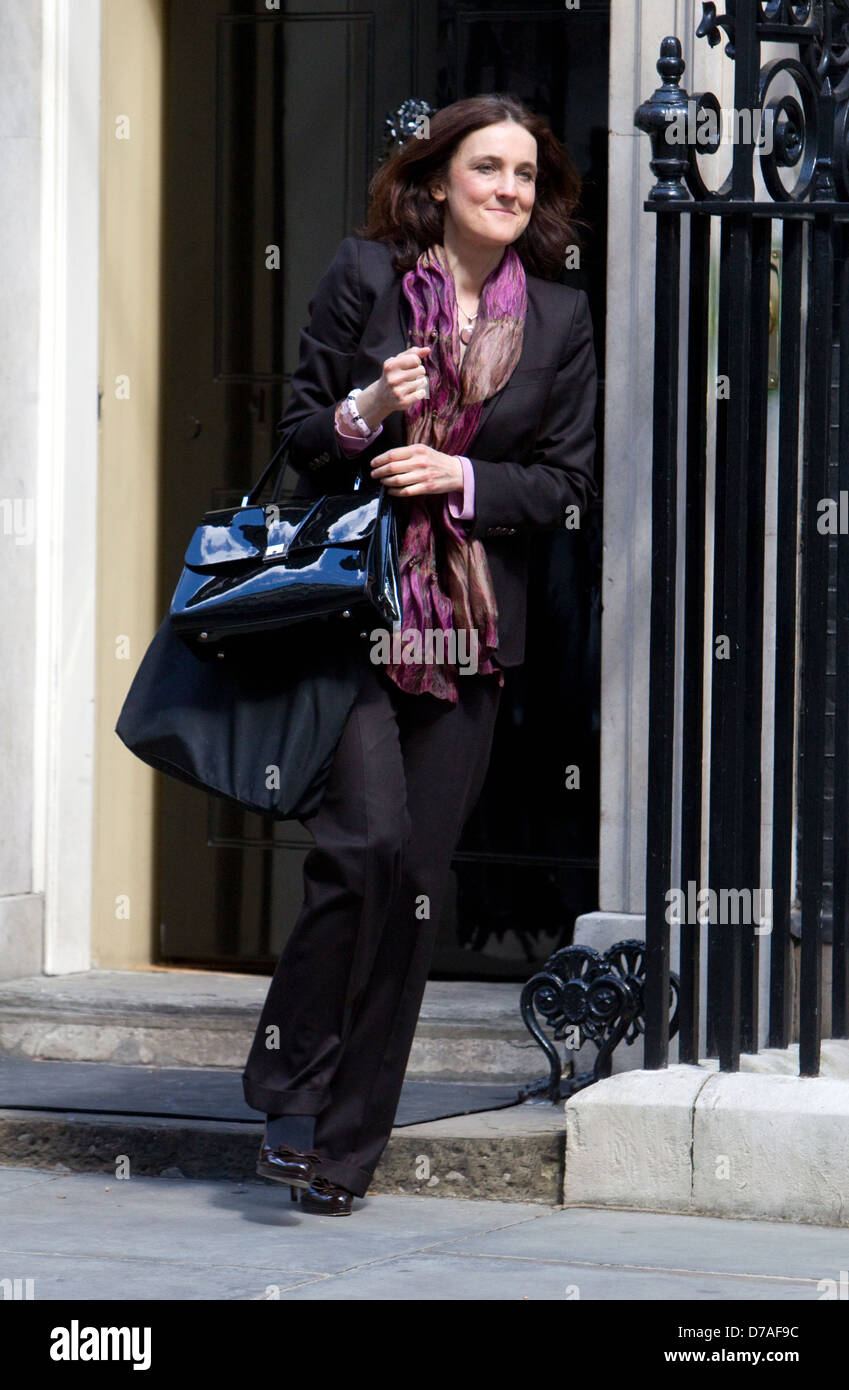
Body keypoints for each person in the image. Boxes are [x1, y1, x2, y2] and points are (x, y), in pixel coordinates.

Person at [241, 92, 599, 1215]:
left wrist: (464, 477)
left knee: (417, 888)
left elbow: (568, 486)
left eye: (526, 176)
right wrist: (362, 410)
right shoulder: (366, 276)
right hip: (352, 610)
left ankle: (345, 1150)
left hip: (468, 628)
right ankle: (291, 1084)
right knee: (364, 844)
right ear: (439, 179)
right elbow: (297, 434)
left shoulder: (558, 316)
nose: (509, 189)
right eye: (488, 168)